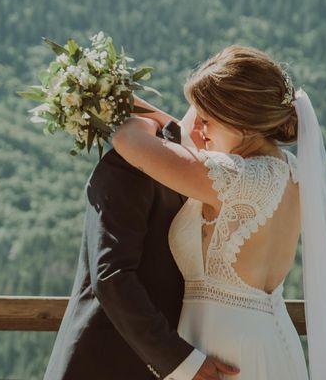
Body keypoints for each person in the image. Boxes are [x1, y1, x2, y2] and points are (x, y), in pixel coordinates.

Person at [113, 45, 326, 379]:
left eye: (207, 118)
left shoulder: (232, 177)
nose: (200, 129)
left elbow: (128, 141)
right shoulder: (292, 172)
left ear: (240, 122)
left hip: (225, 348)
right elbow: (187, 143)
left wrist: (125, 114)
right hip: (272, 339)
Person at [43, 105, 238, 380]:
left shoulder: (203, 173)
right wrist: (179, 360)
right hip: (106, 364)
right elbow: (112, 276)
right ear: (203, 125)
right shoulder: (130, 163)